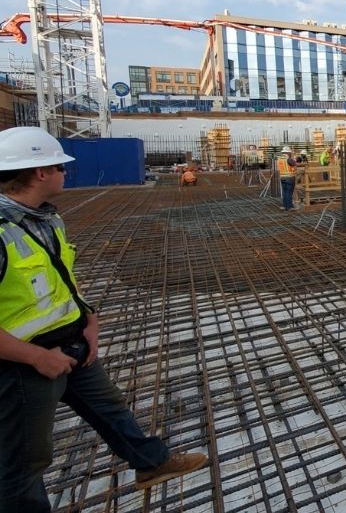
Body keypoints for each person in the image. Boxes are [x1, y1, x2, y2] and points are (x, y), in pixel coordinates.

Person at [0, 127, 208, 511]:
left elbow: (58, 279)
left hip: (72, 343)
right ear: (40, 172)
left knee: (112, 411)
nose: (66, 172)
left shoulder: (46, 219)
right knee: (24, 463)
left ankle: (151, 463)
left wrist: (87, 317)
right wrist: (36, 358)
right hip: (23, 364)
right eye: (60, 166)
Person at [276, 146, 299, 211]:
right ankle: (289, 206)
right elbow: (294, 164)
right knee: (289, 192)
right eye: (290, 153)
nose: (290, 154)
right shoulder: (288, 159)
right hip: (289, 178)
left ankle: (284, 206)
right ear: (288, 152)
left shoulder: (280, 159)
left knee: (285, 192)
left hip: (282, 177)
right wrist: (294, 159)